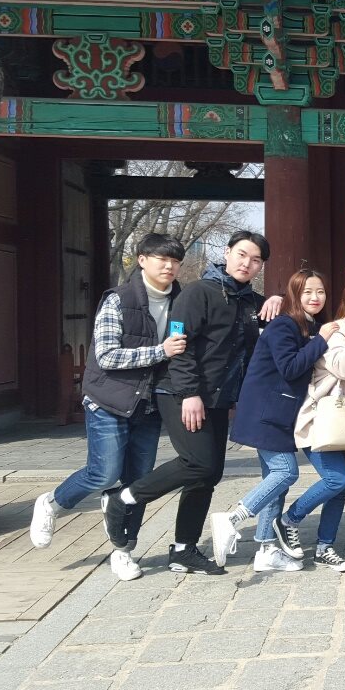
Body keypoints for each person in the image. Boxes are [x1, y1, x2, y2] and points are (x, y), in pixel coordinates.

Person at [102, 231, 268, 575]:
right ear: (227, 253)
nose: (247, 264)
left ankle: (183, 550)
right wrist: (190, 393)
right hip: (180, 392)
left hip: (217, 398)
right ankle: (123, 498)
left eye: (256, 260)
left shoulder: (251, 302)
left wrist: (278, 300)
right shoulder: (197, 293)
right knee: (198, 463)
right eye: (241, 255)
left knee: (209, 474)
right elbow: (181, 347)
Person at [30, 233, 187, 581]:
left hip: (149, 405)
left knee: (137, 484)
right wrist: (160, 351)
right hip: (108, 400)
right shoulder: (119, 299)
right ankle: (52, 503)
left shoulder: (182, 301)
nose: (169, 266)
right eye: (161, 258)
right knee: (104, 473)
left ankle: (123, 550)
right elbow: (107, 356)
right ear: (142, 260)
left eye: (175, 260)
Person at [211, 269, 338, 573]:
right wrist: (321, 340)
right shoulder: (284, 324)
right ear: (294, 295)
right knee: (285, 472)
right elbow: (290, 367)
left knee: (274, 483)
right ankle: (232, 519)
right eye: (307, 292)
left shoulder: (309, 326)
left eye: (320, 291)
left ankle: (267, 549)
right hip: (265, 412)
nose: (315, 297)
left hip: (282, 414)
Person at [262, 276, 345, 574]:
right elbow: (344, 368)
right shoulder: (337, 332)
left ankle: (324, 547)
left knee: (338, 490)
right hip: (321, 421)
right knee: (335, 480)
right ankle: (288, 520)